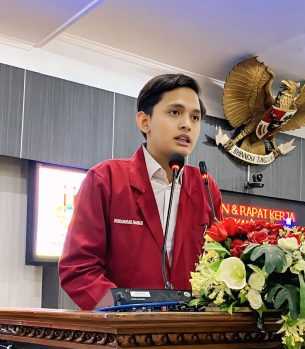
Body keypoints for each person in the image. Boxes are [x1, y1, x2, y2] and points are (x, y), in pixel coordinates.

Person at [59, 74, 222, 310]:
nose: (187, 124)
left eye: (195, 117)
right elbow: (79, 269)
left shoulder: (205, 187)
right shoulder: (106, 179)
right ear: (145, 121)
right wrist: (122, 311)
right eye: (175, 112)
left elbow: (218, 265)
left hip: (191, 328)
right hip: (124, 328)